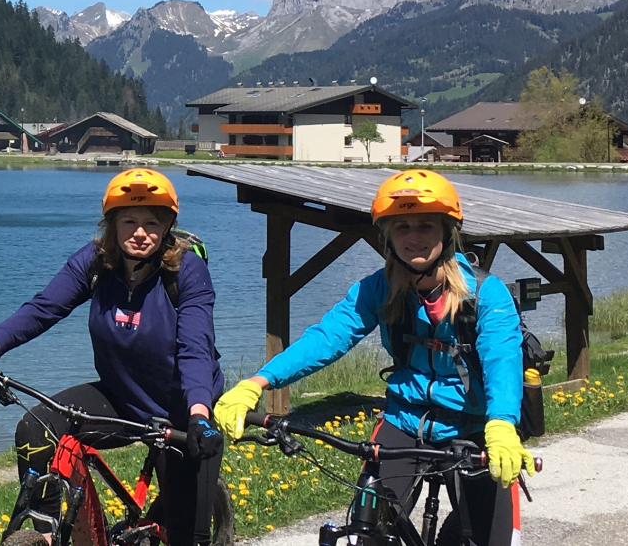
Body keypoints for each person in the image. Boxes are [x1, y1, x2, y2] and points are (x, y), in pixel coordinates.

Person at [212, 169, 531, 545]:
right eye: (402, 228)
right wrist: (257, 381)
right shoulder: (379, 288)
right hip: (405, 420)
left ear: (447, 232)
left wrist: (502, 423)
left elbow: (502, 361)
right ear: (388, 237)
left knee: (491, 539)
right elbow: (328, 338)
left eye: (426, 226)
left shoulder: (486, 294)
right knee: (364, 533)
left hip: (475, 428)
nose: (414, 238)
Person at [0, 168, 225, 546]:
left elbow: (195, 347)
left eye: (152, 222)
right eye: (129, 221)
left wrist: (199, 415)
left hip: (180, 407)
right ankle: (45, 535)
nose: (140, 232)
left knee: (187, 537)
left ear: (168, 228)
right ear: (111, 224)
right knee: (36, 429)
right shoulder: (96, 263)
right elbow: (44, 307)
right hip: (118, 396)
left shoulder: (186, 272)